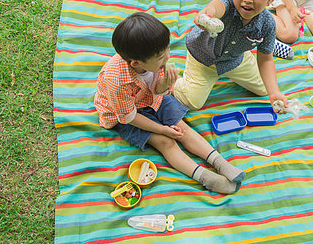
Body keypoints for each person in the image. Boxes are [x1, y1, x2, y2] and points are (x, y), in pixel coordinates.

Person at [94, 12, 243, 194]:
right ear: (135, 63)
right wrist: (162, 129)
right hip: (126, 114)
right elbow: (129, 117)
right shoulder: (117, 81)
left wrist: (164, 85)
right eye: (160, 57)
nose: (167, 57)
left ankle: (220, 163)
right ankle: (206, 177)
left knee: (181, 128)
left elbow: (158, 90)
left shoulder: (156, 60)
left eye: (167, 49)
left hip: (150, 97)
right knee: (165, 141)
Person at [173, 0, 290, 112]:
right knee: (192, 102)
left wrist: (274, 92)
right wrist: (208, 14)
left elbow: (266, 60)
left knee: (264, 88)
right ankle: (169, 79)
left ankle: (261, 44)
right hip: (202, 57)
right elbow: (217, 6)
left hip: (234, 59)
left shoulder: (268, 24)